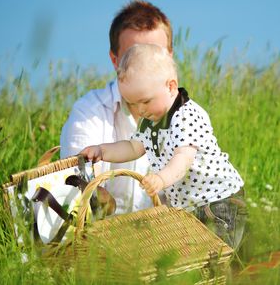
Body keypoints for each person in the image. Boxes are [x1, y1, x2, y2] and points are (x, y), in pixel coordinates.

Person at [80, 44, 246, 249]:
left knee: (218, 254)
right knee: (193, 254)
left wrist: (161, 178)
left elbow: (182, 158)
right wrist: (102, 151)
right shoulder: (150, 121)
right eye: (133, 104)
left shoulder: (187, 116)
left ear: (170, 86)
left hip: (219, 201)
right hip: (190, 206)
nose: (140, 110)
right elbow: (133, 148)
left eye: (146, 101)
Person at [60, 0, 173, 214]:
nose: (146, 70)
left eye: (156, 57)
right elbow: (82, 193)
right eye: (134, 58)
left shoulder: (184, 116)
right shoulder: (88, 114)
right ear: (115, 60)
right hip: (103, 240)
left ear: (171, 58)